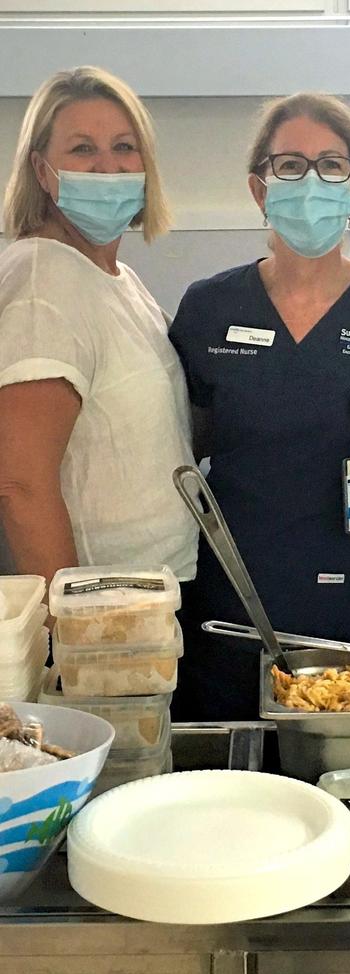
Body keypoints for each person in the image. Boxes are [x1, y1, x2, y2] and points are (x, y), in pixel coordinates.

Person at [170, 91, 350, 724]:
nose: (311, 181)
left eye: (331, 165)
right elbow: (189, 436)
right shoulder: (210, 307)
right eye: (289, 165)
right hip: (239, 594)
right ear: (261, 189)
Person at [0, 65, 198, 588]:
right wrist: (73, 637)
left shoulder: (118, 279)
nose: (108, 167)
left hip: (150, 594)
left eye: (124, 147)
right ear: (42, 172)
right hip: (102, 612)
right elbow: (20, 484)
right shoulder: (43, 284)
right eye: (82, 149)